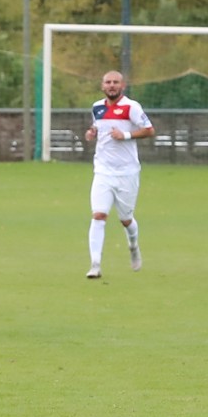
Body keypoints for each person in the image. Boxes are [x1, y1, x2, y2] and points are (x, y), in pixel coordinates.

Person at [83, 70, 155, 279]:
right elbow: (97, 127)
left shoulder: (132, 107)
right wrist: (92, 132)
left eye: (115, 82)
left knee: (126, 219)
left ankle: (133, 246)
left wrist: (124, 135)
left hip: (127, 172)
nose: (111, 85)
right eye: (108, 82)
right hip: (103, 170)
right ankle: (95, 264)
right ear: (102, 86)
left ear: (122, 86)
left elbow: (149, 130)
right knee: (99, 215)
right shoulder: (97, 107)